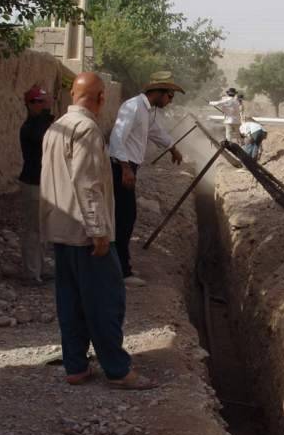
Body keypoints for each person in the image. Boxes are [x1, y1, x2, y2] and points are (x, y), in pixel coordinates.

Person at [39, 72, 154, 390]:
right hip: (86, 234)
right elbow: (86, 183)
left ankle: (75, 366)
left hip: (62, 231)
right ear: (101, 98)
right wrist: (99, 231)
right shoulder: (87, 129)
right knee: (105, 302)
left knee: (71, 302)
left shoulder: (56, 127)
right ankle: (118, 370)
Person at [109, 71, 184, 287]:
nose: (171, 101)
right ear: (159, 92)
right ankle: (121, 272)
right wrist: (125, 168)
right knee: (124, 219)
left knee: (124, 218)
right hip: (120, 167)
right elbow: (116, 138)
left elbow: (154, 131)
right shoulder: (132, 107)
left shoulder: (147, 111)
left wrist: (172, 148)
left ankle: (118, 266)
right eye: (170, 96)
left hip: (129, 167)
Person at [18, 85, 54, 284]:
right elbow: (42, 135)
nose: (41, 105)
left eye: (43, 101)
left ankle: (39, 268)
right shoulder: (30, 127)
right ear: (29, 104)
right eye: (37, 102)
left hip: (43, 182)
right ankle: (31, 272)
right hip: (33, 183)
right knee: (33, 229)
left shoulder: (41, 124)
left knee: (43, 229)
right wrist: (48, 111)